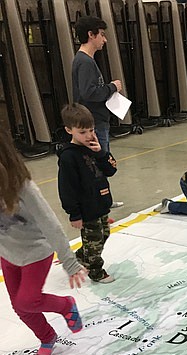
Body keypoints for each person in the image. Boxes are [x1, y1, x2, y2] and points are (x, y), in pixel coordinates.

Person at [0, 130, 86, 355]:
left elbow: (51, 224)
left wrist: (69, 262)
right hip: (8, 254)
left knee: (28, 300)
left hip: (36, 252)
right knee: (20, 307)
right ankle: (47, 338)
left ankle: (66, 305)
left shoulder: (23, 187)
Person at [58, 103, 118, 283]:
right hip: (86, 209)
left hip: (101, 204)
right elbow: (66, 188)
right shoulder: (68, 157)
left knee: (103, 235)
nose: (89, 135)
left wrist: (101, 153)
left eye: (91, 130)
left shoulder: (95, 147)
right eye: (82, 132)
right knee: (94, 242)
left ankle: (81, 256)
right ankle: (96, 271)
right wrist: (74, 214)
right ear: (69, 130)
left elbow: (111, 170)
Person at [72, 15, 124, 209]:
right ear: (90, 35)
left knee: (99, 161)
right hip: (93, 122)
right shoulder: (85, 62)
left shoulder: (86, 61)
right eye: (101, 35)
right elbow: (89, 92)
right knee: (99, 162)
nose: (104, 39)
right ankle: (101, 200)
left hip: (98, 120)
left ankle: (103, 199)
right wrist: (112, 87)